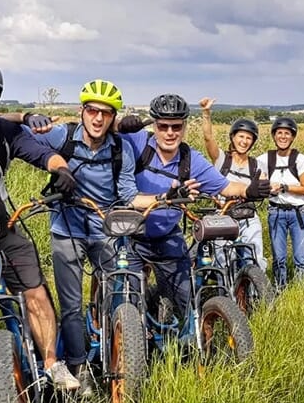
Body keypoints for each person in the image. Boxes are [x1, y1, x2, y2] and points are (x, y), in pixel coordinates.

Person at [0, 56, 79, 392]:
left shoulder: (1, 131)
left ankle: (53, 365)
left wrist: (61, 170)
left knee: (35, 292)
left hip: (3, 227)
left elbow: (39, 152)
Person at [22, 79, 156, 396]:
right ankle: (80, 370)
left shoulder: (121, 148)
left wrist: (163, 196)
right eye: (92, 110)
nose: (98, 118)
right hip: (67, 227)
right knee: (69, 304)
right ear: (82, 111)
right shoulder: (62, 136)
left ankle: (120, 350)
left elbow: (127, 194)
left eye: (106, 113)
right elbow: (13, 136)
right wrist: (28, 116)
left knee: (117, 291)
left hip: (104, 227)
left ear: (113, 118)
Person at [116, 93, 272, 321]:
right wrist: (121, 125)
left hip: (167, 236)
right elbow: (101, 129)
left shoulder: (191, 160)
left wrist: (249, 190)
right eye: (164, 126)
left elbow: (227, 187)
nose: (170, 133)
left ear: (185, 126)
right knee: (126, 300)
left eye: (176, 127)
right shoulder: (139, 142)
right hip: (133, 234)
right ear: (155, 126)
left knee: (185, 301)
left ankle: (182, 344)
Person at [199, 97, 267, 271]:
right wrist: (206, 113)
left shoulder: (257, 165)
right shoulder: (222, 159)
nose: (244, 141)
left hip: (248, 216)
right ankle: (225, 294)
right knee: (223, 259)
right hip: (223, 214)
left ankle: (255, 293)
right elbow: (208, 139)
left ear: (253, 142)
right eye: (241, 136)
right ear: (233, 137)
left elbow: (263, 185)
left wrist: (268, 188)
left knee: (255, 256)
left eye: (249, 138)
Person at [256, 117, 304, 289]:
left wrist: (283, 187)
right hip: (276, 212)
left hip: (298, 213)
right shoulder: (265, 159)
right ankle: (280, 289)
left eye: (287, 133)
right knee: (278, 258)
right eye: (279, 133)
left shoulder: (300, 159)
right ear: (274, 136)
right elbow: (258, 179)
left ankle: (303, 293)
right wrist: (264, 186)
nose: (283, 137)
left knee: (300, 258)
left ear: (292, 136)